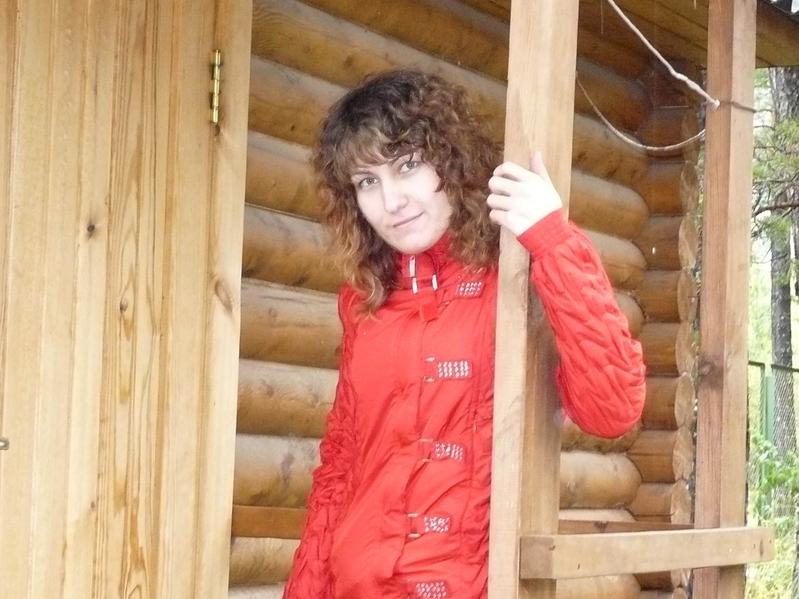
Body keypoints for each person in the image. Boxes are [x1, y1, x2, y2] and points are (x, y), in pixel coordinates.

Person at [282, 70, 646, 599]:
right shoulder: (364, 299)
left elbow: (612, 410)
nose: (391, 200)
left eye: (407, 165)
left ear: (449, 159)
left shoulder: (516, 271)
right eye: (367, 182)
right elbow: (341, 462)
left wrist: (554, 239)